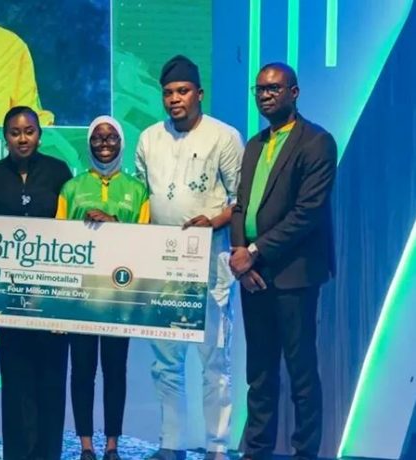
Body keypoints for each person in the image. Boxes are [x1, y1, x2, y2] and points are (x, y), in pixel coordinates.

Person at [135, 55, 243, 460]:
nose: (175, 99)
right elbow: (144, 200)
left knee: (215, 358)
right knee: (165, 361)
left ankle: (217, 448)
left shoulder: (224, 136)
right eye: (168, 93)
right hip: (162, 266)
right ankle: (171, 445)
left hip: (210, 263)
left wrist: (214, 221)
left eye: (182, 92)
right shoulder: (148, 138)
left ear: (199, 93)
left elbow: (241, 202)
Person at [230, 63, 337, 460]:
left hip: (294, 273)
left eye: (274, 88)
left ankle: (305, 452)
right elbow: (240, 207)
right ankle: (256, 450)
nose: (265, 95)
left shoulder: (317, 142)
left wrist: (253, 253)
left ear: (294, 92)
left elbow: (307, 214)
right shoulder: (255, 145)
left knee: (301, 372)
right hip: (252, 274)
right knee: (258, 372)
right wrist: (241, 257)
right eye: (259, 89)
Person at [0, 106, 72, 460]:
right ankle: (18, 453)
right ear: (5, 137)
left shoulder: (59, 171)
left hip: (52, 296)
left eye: (29, 131)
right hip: (9, 296)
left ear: (39, 134)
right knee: (15, 378)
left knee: (51, 377)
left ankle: (49, 453)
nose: (23, 138)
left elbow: (71, 233)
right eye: (15, 132)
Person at [55, 115, 150, 460]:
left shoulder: (138, 190)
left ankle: (112, 444)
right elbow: (58, 240)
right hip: (80, 298)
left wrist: (113, 224)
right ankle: (85, 445)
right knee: (81, 370)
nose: (104, 143)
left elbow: (144, 243)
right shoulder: (71, 187)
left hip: (120, 297)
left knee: (115, 370)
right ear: (89, 143)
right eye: (97, 138)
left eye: (111, 137)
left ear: (121, 142)